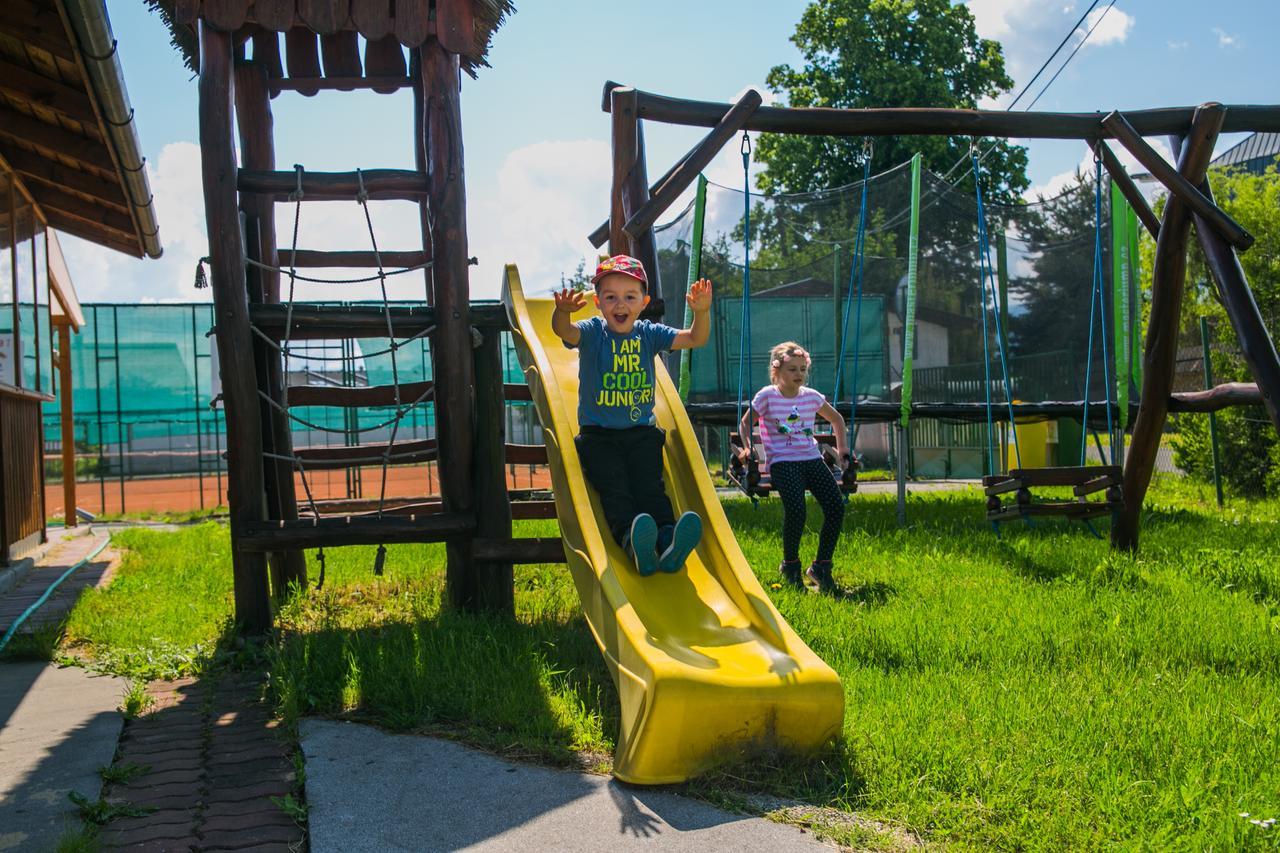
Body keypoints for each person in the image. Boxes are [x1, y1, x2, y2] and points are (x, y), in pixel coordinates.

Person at [552, 254, 713, 576]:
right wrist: (562, 313)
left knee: (651, 489)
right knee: (617, 492)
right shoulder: (593, 331)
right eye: (610, 297)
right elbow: (565, 333)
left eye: (629, 297)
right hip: (599, 435)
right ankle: (631, 541)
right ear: (597, 303)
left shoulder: (648, 334)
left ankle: (668, 539)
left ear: (644, 302)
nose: (619, 305)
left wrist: (702, 312)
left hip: (641, 433)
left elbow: (696, 338)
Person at [737, 342, 848, 594]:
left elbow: (837, 420)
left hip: (811, 458)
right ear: (776, 371)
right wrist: (747, 448)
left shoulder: (811, 397)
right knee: (797, 510)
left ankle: (821, 566)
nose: (799, 374)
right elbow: (745, 424)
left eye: (802, 369)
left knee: (835, 506)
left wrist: (842, 451)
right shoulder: (767, 396)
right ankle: (790, 565)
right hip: (782, 462)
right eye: (792, 370)